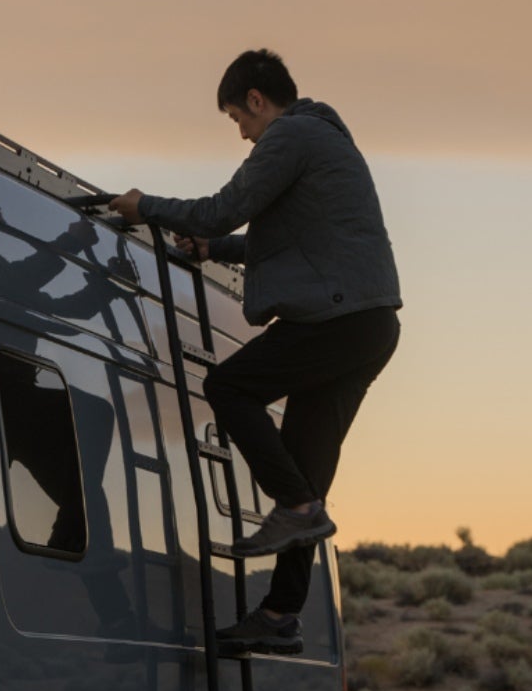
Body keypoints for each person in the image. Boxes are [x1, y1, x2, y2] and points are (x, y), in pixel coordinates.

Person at [106, 48, 400, 657]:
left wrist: (145, 208)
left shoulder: (290, 136)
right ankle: (281, 613)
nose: (241, 133)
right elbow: (288, 238)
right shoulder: (323, 140)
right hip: (366, 326)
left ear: (258, 101)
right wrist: (215, 251)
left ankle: (291, 507)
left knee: (229, 389)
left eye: (238, 118)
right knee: (307, 467)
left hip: (335, 320)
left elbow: (224, 207)